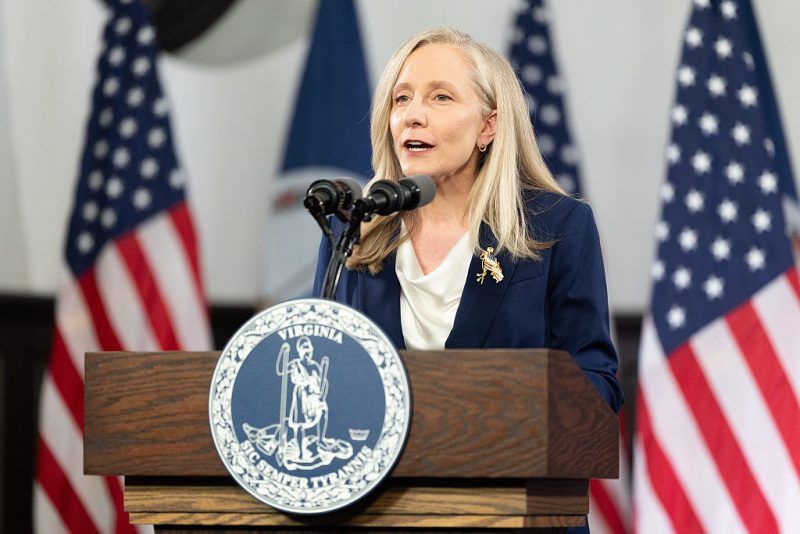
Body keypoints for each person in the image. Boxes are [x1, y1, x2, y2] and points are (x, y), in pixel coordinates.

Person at [312, 27, 622, 414]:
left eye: (441, 97)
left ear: (487, 126)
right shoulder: (354, 231)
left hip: (507, 451)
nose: (412, 116)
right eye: (402, 98)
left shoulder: (556, 226)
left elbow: (594, 386)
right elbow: (319, 365)